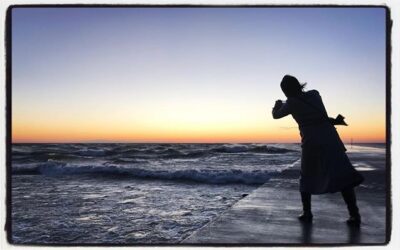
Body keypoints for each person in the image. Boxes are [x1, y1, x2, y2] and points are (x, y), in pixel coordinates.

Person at [272, 75, 364, 226]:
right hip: (330, 138)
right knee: (342, 175)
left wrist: (276, 105)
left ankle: (307, 212)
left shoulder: (291, 103)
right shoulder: (315, 94)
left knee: (306, 175)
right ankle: (354, 214)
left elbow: (276, 116)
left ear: (285, 90)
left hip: (311, 141)